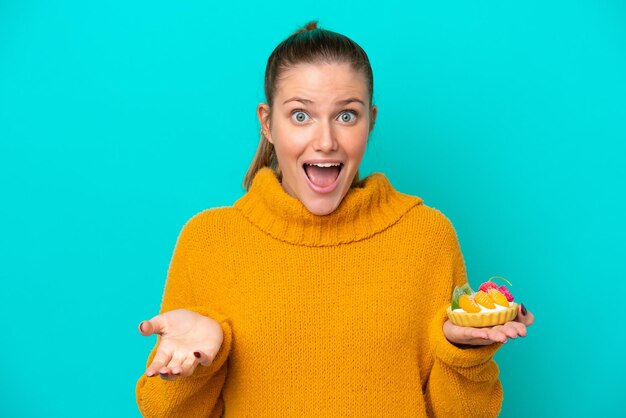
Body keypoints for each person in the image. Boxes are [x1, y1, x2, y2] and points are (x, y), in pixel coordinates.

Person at [136, 21, 534, 417]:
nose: (325, 140)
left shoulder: (427, 236)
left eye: (346, 116)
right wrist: (199, 363)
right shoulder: (209, 242)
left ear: (371, 121)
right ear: (266, 122)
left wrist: (463, 352)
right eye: (300, 116)